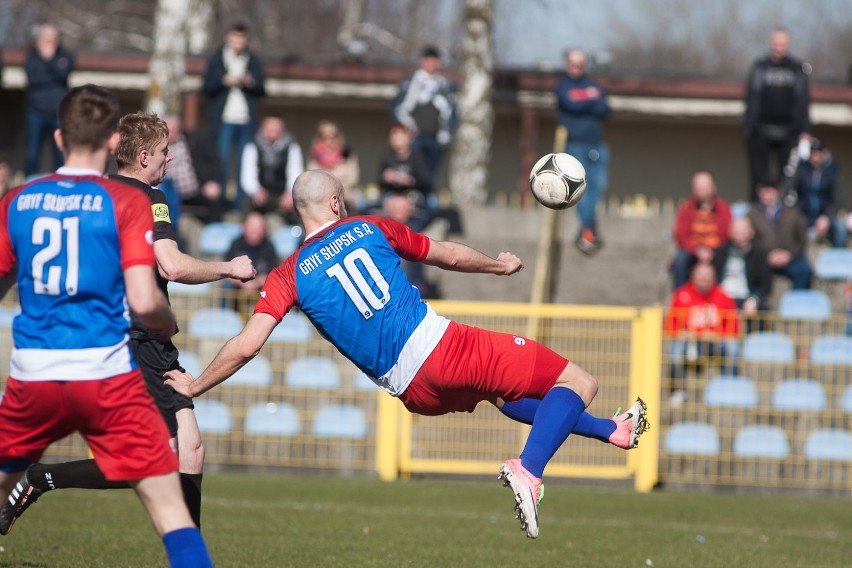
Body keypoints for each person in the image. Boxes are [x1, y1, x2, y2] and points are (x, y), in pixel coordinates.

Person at [164, 169, 649, 540]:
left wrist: (196, 384)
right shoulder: (370, 227)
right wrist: (497, 266)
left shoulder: (286, 275)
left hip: (412, 391)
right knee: (580, 383)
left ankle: (614, 430)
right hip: (443, 349)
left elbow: (247, 345)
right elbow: (448, 255)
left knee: (504, 394)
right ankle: (529, 470)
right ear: (335, 201)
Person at [2, 111, 256, 533]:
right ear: (142, 156)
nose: (169, 159)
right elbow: (171, 266)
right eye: (163, 152)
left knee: (190, 447)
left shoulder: (98, 194)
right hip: (137, 336)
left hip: (143, 338)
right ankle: (41, 477)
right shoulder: (147, 199)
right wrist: (229, 267)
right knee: (157, 459)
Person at [202, 21, 266, 210]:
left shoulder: (253, 61)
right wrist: (223, 81)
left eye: (242, 38)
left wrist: (250, 82)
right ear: (228, 38)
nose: (238, 41)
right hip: (224, 120)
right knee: (221, 162)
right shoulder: (217, 59)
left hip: (246, 120)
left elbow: (262, 90)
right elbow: (206, 87)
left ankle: (239, 206)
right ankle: (220, 205)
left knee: (244, 165)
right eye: (235, 37)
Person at [744, 26, 811, 202]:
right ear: (771, 43)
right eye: (777, 43)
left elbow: (803, 102)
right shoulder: (760, 68)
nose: (780, 47)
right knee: (758, 177)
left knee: (788, 178)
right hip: (761, 131)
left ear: (788, 44)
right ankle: (758, 213)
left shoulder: (797, 69)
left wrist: (805, 130)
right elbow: (751, 98)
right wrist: (750, 127)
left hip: (789, 132)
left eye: (783, 43)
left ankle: (784, 215)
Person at [555, 48, 611, 255]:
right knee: (581, 190)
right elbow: (571, 104)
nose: (576, 68)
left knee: (598, 188)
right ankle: (588, 230)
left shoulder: (594, 84)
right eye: (573, 64)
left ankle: (588, 227)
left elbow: (605, 109)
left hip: (597, 144)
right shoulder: (562, 86)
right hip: (574, 145)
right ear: (567, 64)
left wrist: (584, 103)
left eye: (580, 64)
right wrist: (591, 102)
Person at [665, 262, 741, 407]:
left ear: (713, 278)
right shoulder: (681, 295)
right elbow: (670, 324)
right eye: (701, 275)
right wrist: (682, 334)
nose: (704, 279)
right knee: (675, 352)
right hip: (689, 342)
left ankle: (728, 389)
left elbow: (733, 324)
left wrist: (718, 335)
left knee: (733, 347)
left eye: (708, 276)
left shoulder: (723, 296)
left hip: (715, 342)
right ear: (693, 276)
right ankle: (678, 391)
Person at [392, 46, 456, 183]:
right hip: (414, 137)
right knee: (413, 171)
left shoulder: (445, 84)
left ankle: (427, 198)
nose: (431, 64)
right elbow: (397, 109)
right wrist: (406, 131)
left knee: (431, 173)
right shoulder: (411, 82)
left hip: (436, 138)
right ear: (422, 62)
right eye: (428, 60)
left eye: (434, 61)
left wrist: (447, 132)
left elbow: (451, 111)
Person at [24, 22, 75, 177]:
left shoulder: (65, 56)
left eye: (53, 37)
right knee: (32, 153)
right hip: (35, 112)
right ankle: (28, 182)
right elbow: (34, 78)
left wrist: (50, 59)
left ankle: (60, 182)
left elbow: (63, 73)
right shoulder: (31, 57)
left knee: (60, 153)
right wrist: (49, 66)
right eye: (46, 38)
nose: (50, 41)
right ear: (39, 39)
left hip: (58, 113)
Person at [748, 178, 812, 289]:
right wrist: (767, 255)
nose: (766, 195)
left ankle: (797, 302)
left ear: (777, 192)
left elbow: (802, 238)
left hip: (789, 256)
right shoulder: (752, 215)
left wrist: (789, 255)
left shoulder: (793, 213)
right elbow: (750, 239)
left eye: (770, 191)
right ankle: (760, 301)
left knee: (804, 270)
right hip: (764, 258)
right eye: (763, 191)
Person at [672, 170, 732, 289]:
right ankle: (681, 294)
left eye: (704, 187)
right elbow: (681, 236)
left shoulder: (724, 208)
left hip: (716, 249)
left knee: (725, 255)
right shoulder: (686, 208)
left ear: (713, 187)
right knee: (681, 258)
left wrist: (711, 249)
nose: (701, 190)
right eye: (698, 187)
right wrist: (698, 250)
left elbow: (726, 234)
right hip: (694, 250)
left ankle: (718, 293)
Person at [162, 114, 225, 225]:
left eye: (173, 130)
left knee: (215, 200)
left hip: (197, 190)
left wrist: (212, 181)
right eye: (167, 130)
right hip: (169, 193)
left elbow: (214, 161)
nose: (170, 134)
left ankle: (212, 235)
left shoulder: (193, 140)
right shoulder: (157, 147)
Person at [240, 116, 304, 222]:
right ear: (263, 129)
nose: (273, 134)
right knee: (247, 203)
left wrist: (289, 193)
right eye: (269, 130)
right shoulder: (253, 145)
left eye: (276, 131)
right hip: (261, 192)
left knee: (299, 208)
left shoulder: (291, 145)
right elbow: (248, 173)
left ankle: (300, 237)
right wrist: (256, 191)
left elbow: (295, 171)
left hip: (282, 192)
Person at [791, 139, 847, 248]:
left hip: (825, 214)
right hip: (804, 214)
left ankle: (838, 259)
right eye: (814, 153)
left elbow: (838, 198)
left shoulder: (832, 171)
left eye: (819, 153)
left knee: (840, 228)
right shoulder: (801, 169)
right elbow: (788, 188)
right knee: (791, 227)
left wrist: (826, 217)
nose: (816, 156)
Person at [223, 211, 278, 313]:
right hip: (237, 288)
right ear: (244, 227)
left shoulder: (269, 247)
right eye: (251, 226)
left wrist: (256, 283)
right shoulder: (235, 244)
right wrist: (242, 283)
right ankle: (226, 317)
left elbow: (274, 274)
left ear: (264, 230)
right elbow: (225, 272)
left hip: (260, 290)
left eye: (258, 227)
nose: (255, 230)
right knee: (225, 286)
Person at [720, 216, 772, 320]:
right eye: (735, 231)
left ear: (751, 232)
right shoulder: (720, 252)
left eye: (741, 232)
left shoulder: (760, 255)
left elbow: (765, 285)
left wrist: (754, 298)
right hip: (722, 298)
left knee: (762, 310)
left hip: (746, 297)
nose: (738, 236)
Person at [306, 120, 361, 209]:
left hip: (345, 198)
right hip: (320, 200)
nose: (329, 141)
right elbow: (312, 180)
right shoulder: (314, 157)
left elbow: (352, 179)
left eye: (333, 136)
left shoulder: (347, 155)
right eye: (324, 137)